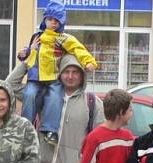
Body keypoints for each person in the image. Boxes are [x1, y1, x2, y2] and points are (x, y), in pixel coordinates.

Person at [17, 0, 97, 144]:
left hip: (54, 77)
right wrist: (24, 53)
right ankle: (26, 128)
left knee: (54, 98)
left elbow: (78, 49)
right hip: (35, 76)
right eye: (50, 19)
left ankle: (50, 130)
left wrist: (89, 61)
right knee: (29, 95)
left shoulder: (64, 38)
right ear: (45, 20)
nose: (53, 23)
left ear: (62, 22)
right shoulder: (37, 36)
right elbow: (28, 52)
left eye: (57, 20)